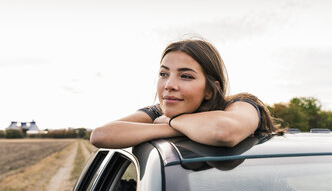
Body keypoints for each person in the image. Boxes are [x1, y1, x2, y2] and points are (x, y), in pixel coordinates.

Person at [90, 39, 278, 149]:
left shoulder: (241, 104)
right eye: (164, 74)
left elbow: (223, 131)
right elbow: (100, 135)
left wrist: (171, 123)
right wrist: (174, 127)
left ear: (210, 90)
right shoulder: (157, 113)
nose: (169, 85)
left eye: (186, 76)